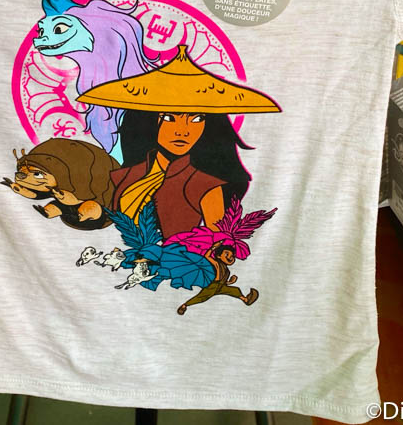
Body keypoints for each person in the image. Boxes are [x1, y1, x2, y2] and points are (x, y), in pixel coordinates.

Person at [77, 45, 280, 239]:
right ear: (148, 120)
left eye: (197, 119)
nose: (182, 130)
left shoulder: (204, 185)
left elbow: (217, 244)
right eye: (169, 118)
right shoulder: (130, 174)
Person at [176, 242, 259, 315]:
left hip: (220, 286)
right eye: (226, 254)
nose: (230, 257)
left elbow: (223, 282)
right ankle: (184, 305)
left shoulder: (227, 271)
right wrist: (214, 247)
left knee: (235, 290)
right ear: (219, 256)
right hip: (212, 286)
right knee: (201, 297)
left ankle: (246, 300)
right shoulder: (217, 264)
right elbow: (207, 256)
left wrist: (230, 282)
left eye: (232, 256)